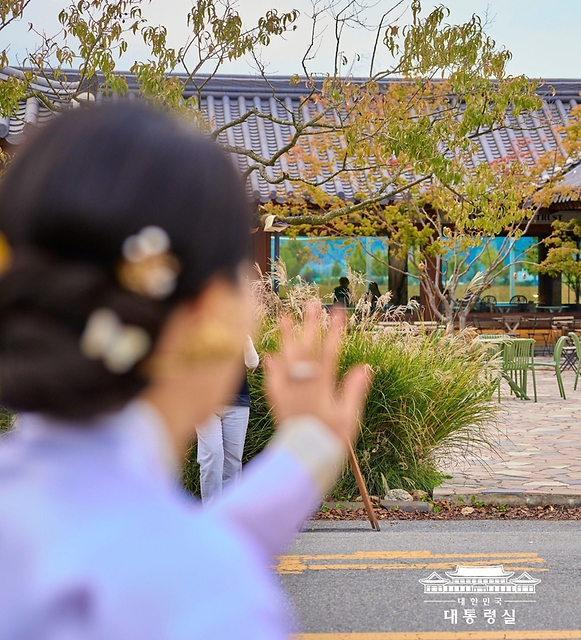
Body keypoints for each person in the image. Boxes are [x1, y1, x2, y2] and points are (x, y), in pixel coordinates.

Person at [0, 103, 372, 639]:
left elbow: (155, 542)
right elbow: (174, 569)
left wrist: (305, 456)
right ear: (206, 313)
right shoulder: (211, 601)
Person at [195, 336, 260, 504]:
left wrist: (245, 339)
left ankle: (228, 515)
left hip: (238, 402)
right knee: (212, 457)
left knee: (233, 462)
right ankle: (211, 514)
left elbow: (252, 363)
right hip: (206, 404)